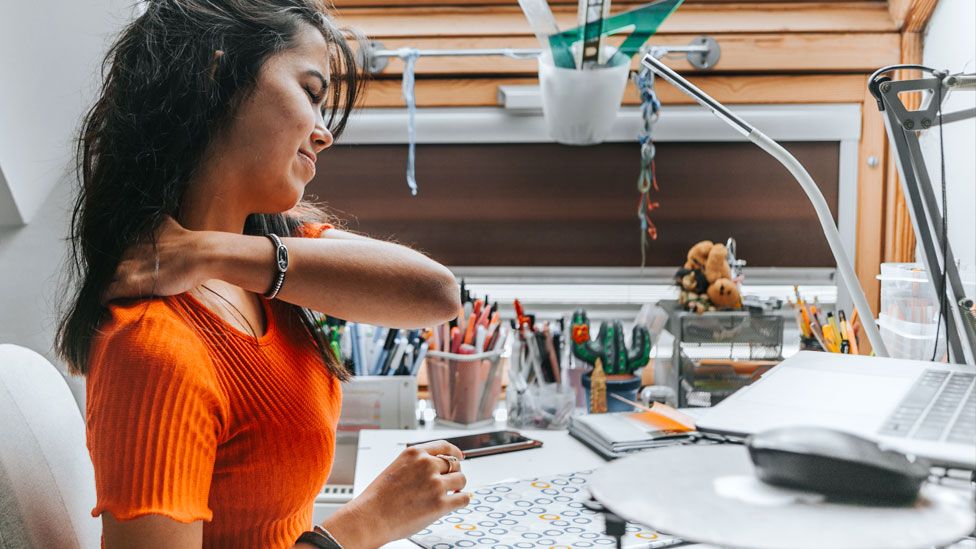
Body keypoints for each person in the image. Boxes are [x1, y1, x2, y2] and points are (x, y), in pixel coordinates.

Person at [56, 1, 470, 547]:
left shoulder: (263, 259)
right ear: (217, 73)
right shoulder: (153, 346)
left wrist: (209, 252)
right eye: (310, 91)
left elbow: (438, 293)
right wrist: (362, 525)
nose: (324, 134)